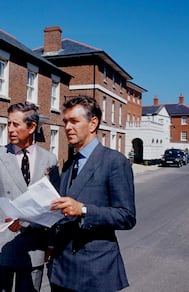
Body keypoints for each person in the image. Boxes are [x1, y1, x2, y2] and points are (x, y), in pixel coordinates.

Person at [47, 95, 136, 292]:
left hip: (95, 271)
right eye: (65, 122)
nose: (68, 127)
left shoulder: (114, 162)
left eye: (74, 121)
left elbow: (127, 216)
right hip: (61, 269)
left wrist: (84, 210)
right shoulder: (70, 163)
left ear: (93, 123)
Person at [0, 101, 60, 292]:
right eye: (8, 124)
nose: (10, 129)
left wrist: (51, 243)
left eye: (16, 124)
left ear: (31, 127)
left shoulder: (49, 160)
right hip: (0, 246)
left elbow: (54, 207)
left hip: (34, 246)